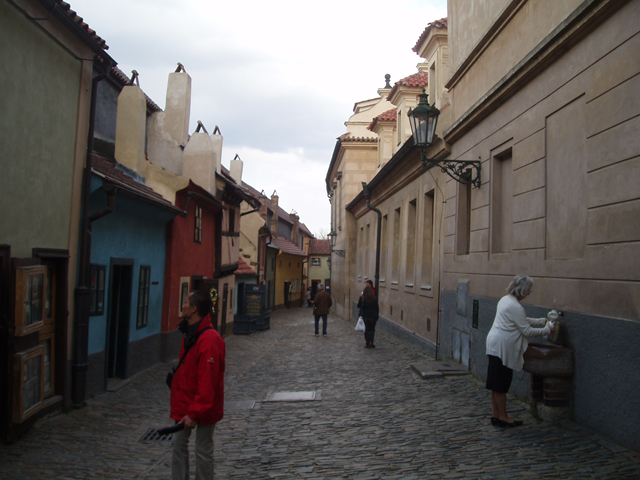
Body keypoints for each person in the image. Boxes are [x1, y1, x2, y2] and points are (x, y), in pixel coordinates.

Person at [485, 275, 555, 427]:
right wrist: (547, 330)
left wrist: (541, 321)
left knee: (494, 384)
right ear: (522, 291)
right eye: (528, 291)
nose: (528, 294)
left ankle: (496, 415)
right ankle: (503, 417)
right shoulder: (515, 306)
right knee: (501, 385)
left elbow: (521, 320)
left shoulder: (505, 300)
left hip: (494, 345)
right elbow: (526, 330)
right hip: (502, 348)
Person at [170, 290, 226, 479]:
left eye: (185, 302)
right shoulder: (189, 332)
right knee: (177, 445)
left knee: (202, 450)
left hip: (205, 406)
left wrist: (195, 413)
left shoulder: (209, 340)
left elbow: (208, 382)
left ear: (193, 309)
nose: (183, 305)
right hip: (185, 400)